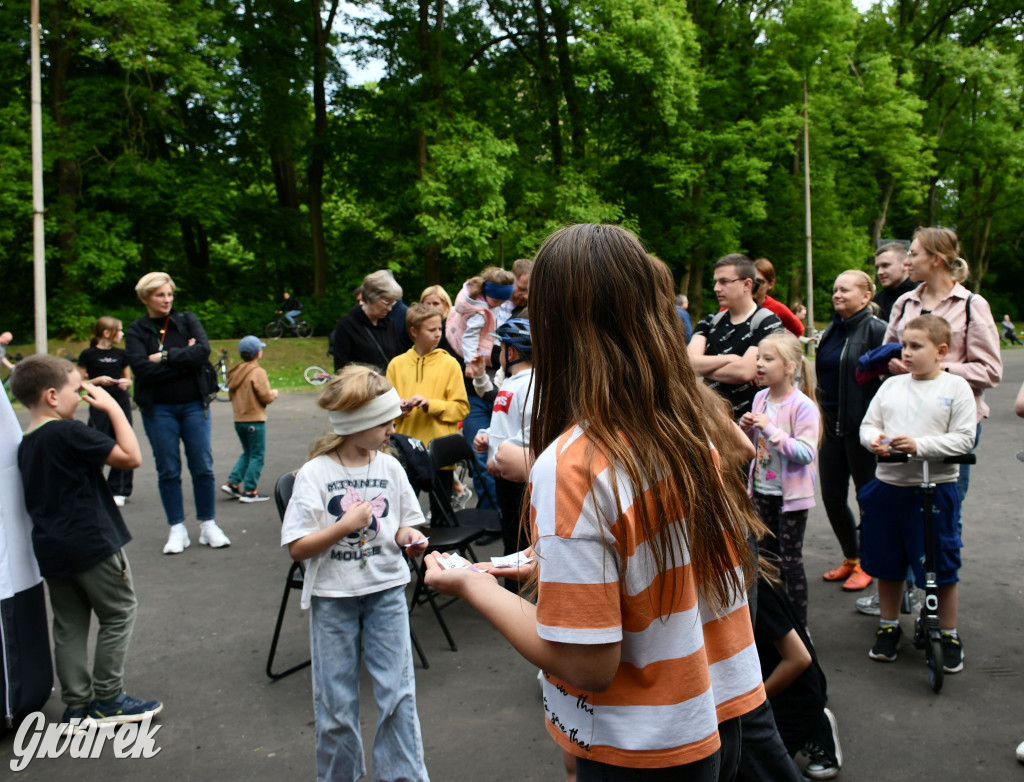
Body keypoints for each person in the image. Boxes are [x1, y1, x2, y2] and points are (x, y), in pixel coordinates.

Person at [424, 224, 766, 779]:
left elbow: (587, 664)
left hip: (643, 745)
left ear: (552, 323)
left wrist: (472, 584)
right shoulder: (682, 425)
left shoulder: (574, 462)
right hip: (714, 718)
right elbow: (655, 557)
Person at [280, 366, 429, 782]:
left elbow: (401, 525)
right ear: (356, 423)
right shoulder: (314, 474)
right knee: (334, 703)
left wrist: (410, 537)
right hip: (333, 598)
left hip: (386, 591)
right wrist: (344, 526)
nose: (391, 428)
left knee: (398, 695)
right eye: (384, 422)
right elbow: (298, 547)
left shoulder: (391, 467)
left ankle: (403, 776)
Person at [10, 355, 162, 727]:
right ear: (51, 395)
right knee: (119, 612)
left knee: (69, 624)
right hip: (92, 542)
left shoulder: (25, 443)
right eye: (75, 390)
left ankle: (77, 704)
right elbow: (131, 458)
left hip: (52, 547)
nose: (80, 397)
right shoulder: (67, 431)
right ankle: (109, 698)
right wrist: (114, 409)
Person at [859, 315, 975, 672]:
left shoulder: (956, 388)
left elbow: (964, 437)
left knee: (940, 563)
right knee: (888, 563)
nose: (906, 353)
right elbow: (869, 424)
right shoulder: (892, 387)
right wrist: (874, 441)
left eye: (915, 346)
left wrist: (919, 445)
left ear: (941, 351)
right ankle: (889, 626)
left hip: (933, 489)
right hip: (889, 487)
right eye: (904, 345)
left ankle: (948, 633)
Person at [884, 227, 1001, 516]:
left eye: (913, 253)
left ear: (936, 259)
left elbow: (990, 371)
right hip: (905, 419)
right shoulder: (904, 303)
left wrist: (939, 368)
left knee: (944, 513)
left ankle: (941, 563)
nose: (907, 261)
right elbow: (886, 355)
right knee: (904, 510)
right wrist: (891, 366)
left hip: (951, 422)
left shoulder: (972, 305)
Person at [126, 272, 230, 554]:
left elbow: (202, 353)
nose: (167, 299)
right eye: (160, 295)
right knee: (168, 468)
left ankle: (208, 525)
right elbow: (140, 368)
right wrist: (183, 359)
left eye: (169, 294)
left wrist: (164, 357)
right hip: (158, 410)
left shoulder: (186, 320)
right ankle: (177, 528)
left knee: (202, 466)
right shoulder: (137, 330)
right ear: (146, 298)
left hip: (194, 405)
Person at [740, 331, 820, 628]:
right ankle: (774, 628)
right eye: (758, 357)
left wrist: (772, 430)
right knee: (765, 560)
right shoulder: (760, 397)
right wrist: (746, 426)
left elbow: (805, 452)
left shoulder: (803, 406)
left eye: (767, 359)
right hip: (760, 490)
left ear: (789, 367)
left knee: (790, 562)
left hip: (791, 499)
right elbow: (753, 445)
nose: (759, 364)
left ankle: (800, 629)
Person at [814, 270, 886, 592]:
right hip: (831, 428)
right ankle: (852, 557)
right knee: (831, 496)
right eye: (834, 289)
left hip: (862, 430)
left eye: (844, 289)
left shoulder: (877, 330)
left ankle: (871, 563)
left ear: (866, 296)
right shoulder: (831, 329)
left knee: (867, 498)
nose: (837, 295)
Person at [747, 567, 842, 781]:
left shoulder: (754, 589)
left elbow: (799, 659)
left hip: (795, 699)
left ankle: (817, 729)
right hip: (771, 684)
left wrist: (752, 701)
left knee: (751, 764)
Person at [386, 303, 469, 517]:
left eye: (439, 329)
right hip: (406, 450)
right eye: (431, 330)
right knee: (401, 514)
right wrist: (398, 408)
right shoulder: (396, 365)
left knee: (442, 514)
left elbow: (461, 409)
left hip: (439, 450)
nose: (438, 334)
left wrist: (430, 405)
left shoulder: (449, 364)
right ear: (414, 331)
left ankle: (444, 551)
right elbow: (386, 410)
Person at [445, 266, 515, 510]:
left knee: (492, 452)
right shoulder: (478, 311)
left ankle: (493, 512)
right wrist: (470, 363)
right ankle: (492, 513)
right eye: (497, 300)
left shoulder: (489, 305)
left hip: (489, 378)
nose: (499, 305)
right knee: (483, 456)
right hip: (476, 381)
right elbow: (470, 339)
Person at [689, 253, 783, 420]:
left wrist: (705, 368)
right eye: (716, 281)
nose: (716, 288)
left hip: (751, 426)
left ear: (747, 284)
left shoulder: (768, 323)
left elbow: (744, 372)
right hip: (709, 421)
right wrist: (731, 359)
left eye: (724, 281)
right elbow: (687, 363)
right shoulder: (709, 322)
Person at [472, 318, 534, 564]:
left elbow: (532, 431)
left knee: (519, 542)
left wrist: (499, 456)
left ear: (511, 351)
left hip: (519, 479)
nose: (497, 356)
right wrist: (488, 435)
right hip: (504, 479)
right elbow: (507, 423)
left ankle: (519, 595)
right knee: (511, 536)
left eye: (499, 350)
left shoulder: (531, 383)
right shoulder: (510, 382)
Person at [78, 316, 134, 506]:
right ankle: (92, 486)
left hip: (120, 402)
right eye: (119, 330)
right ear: (107, 333)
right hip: (98, 402)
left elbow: (129, 379)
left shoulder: (121, 354)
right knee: (96, 441)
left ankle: (119, 490)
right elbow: (79, 383)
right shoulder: (88, 354)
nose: (122, 334)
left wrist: (126, 383)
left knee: (123, 442)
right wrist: (98, 381)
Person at [221, 335, 278, 503]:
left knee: (248, 452)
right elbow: (265, 397)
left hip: (239, 419)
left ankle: (233, 482)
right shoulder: (257, 372)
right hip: (255, 420)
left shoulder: (235, 372)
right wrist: (273, 394)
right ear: (257, 354)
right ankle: (250, 491)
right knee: (257, 455)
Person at [331, 270, 405, 373]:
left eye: (392, 304)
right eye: (386, 303)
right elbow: (341, 367)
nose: (389, 309)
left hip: (388, 387)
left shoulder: (388, 323)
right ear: (370, 299)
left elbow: (398, 358)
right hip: (361, 387)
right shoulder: (347, 324)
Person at [753, 258, 804, 336]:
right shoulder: (734, 305)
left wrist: (780, 345)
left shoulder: (779, 309)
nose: (754, 285)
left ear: (771, 284)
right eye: (752, 280)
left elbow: (798, 330)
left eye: (759, 281)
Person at [872, 242, 916, 322]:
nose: (879, 272)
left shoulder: (920, 295)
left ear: (906, 265)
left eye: (885, 265)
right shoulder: (877, 300)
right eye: (877, 268)